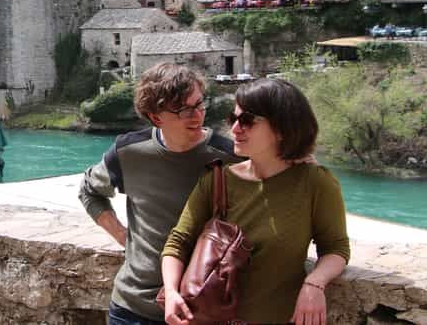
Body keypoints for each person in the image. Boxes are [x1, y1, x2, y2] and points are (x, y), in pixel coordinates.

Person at [162, 78, 349, 325]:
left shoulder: (316, 183)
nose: (235, 129)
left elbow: (336, 248)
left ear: (282, 128)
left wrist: (315, 283)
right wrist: (171, 293)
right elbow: (177, 243)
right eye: (234, 119)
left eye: (247, 121)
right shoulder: (217, 180)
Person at [79, 63, 241, 324]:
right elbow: (89, 191)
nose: (197, 115)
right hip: (131, 309)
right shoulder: (129, 152)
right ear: (156, 117)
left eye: (199, 104)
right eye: (182, 110)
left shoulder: (229, 157)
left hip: (201, 310)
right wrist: (124, 238)